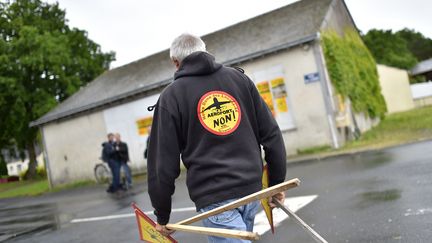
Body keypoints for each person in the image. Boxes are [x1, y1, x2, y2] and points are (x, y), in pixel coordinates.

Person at [147, 33, 287, 243]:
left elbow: (162, 164)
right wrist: (276, 184)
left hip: (215, 199)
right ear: (205, 50)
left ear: (176, 63)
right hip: (251, 190)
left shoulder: (171, 97)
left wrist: (162, 216)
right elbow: (272, 135)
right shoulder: (239, 79)